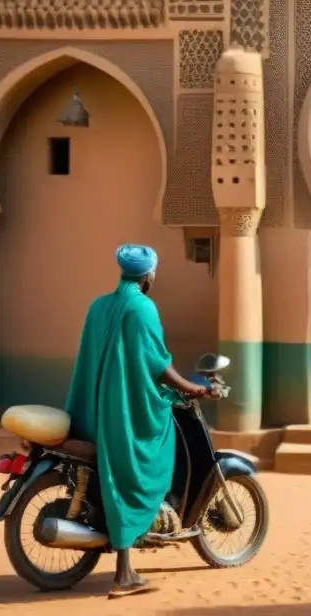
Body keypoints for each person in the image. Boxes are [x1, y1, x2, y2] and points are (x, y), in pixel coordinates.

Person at [64, 244, 215, 598]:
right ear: (148, 274)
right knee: (140, 464)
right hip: (122, 411)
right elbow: (156, 364)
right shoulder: (142, 307)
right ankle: (124, 575)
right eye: (154, 271)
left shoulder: (98, 305)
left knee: (119, 472)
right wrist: (191, 388)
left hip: (92, 408)